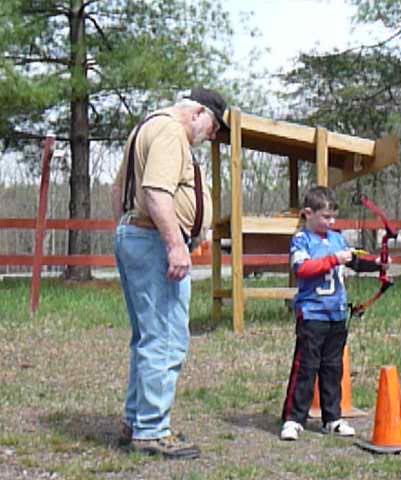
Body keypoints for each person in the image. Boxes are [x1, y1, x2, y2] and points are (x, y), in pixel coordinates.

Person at [111, 87, 228, 459]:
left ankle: (136, 421)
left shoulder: (145, 128)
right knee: (165, 338)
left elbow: (119, 189)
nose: (212, 135)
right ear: (197, 112)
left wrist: (127, 230)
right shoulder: (171, 131)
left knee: (147, 337)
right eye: (214, 126)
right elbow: (156, 192)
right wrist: (175, 244)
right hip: (153, 241)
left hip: (138, 235)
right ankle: (151, 430)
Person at [280, 186, 383, 441]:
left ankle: (332, 418)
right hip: (312, 313)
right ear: (308, 213)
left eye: (333, 217)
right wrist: (334, 259)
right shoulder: (301, 240)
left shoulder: (337, 239)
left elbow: (354, 261)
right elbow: (302, 268)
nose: (331, 222)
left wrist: (378, 264)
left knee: (333, 368)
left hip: (336, 314)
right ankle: (293, 419)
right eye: (325, 217)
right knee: (306, 367)